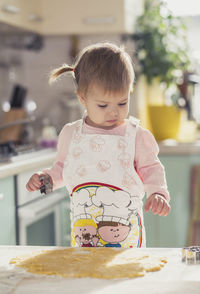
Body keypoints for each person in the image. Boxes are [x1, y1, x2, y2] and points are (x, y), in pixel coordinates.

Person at [26, 42, 170, 248]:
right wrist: (45, 180)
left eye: (122, 102)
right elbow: (62, 170)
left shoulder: (135, 136)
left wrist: (157, 193)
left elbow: (151, 168)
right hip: (84, 237)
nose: (114, 112)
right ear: (82, 99)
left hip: (126, 241)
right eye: (103, 105)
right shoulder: (71, 134)